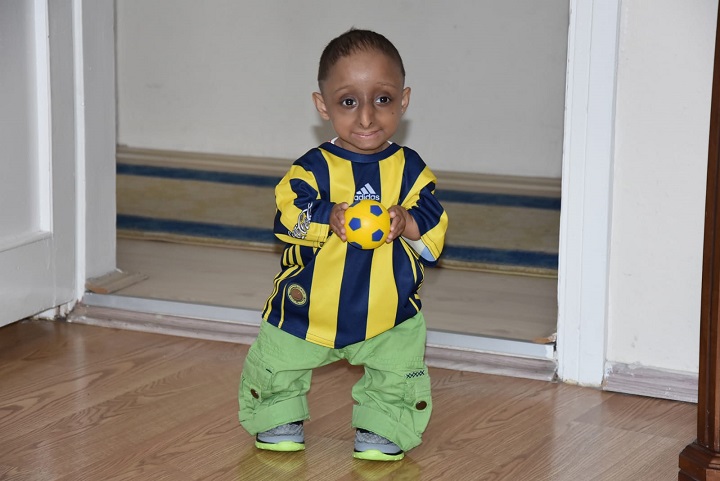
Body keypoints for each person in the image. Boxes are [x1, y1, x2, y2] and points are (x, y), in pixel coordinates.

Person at [238, 28, 448, 462]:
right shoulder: (312, 169)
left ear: (404, 100)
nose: (367, 117)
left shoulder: (411, 170)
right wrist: (326, 216)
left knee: (397, 365)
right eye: (349, 102)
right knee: (281, 357)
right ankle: (278, 413)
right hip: (310, 306)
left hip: (387, 309)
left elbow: (433, 221)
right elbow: (287, 215)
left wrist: (407, 221)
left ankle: (384, 422)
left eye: (383, 99)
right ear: (323, 106)